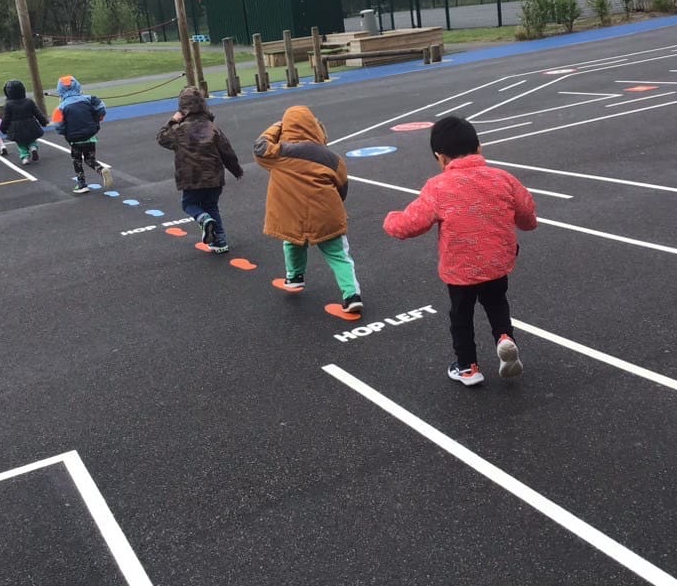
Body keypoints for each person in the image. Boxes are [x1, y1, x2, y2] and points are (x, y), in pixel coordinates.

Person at [383, 116, 537, 387]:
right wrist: (527, 224)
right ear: (479, 147)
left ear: (440, 158)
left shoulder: (438, 187)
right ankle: (505, 338)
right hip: (497, 260)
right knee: (497, 303)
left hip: (460, 267)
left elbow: (412, 223)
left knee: (461, 316)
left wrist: (391, 220)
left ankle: (467, 367)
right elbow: (526, 212)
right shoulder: (503, 178)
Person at [253, 105, 363, 314]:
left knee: (292, 242)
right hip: (325, 213)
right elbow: (342, 186)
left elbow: (259, 146)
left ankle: (295, 277)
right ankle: (352, 295)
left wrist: (277, 126)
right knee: (338, 254)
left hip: (292, 214)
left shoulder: (279, 154)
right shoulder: (331, 158)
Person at [156, 86, 243, 253]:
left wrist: (173, 120)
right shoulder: (212, 127)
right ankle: (220, 240)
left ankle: (203, 219)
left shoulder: (179, 131)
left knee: (189, 204)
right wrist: (236, 169)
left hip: (191, 177)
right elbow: (226, 150)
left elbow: (161, 138)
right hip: (214, 176)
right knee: (211, 205)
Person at [50, 75, 112, 194]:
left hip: (75, 139)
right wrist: (96, 121)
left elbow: (58, 125)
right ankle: (101, 169)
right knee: (89, 159)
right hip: (90, 135)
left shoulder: (61, 107)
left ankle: (82, 184)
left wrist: (65, 132)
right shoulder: (89, 99)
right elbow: (101, 109)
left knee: (77, 160)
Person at [0, 80, 49, 166]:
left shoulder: (8, 105)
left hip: (16, 128)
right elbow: (37, 113)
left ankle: (25, 157)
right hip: (31, 125)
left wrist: (3, 128)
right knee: (31, 139)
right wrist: (43, 121)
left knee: (20, 143)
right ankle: (33, 147)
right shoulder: (29, 101)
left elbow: (6, 118)